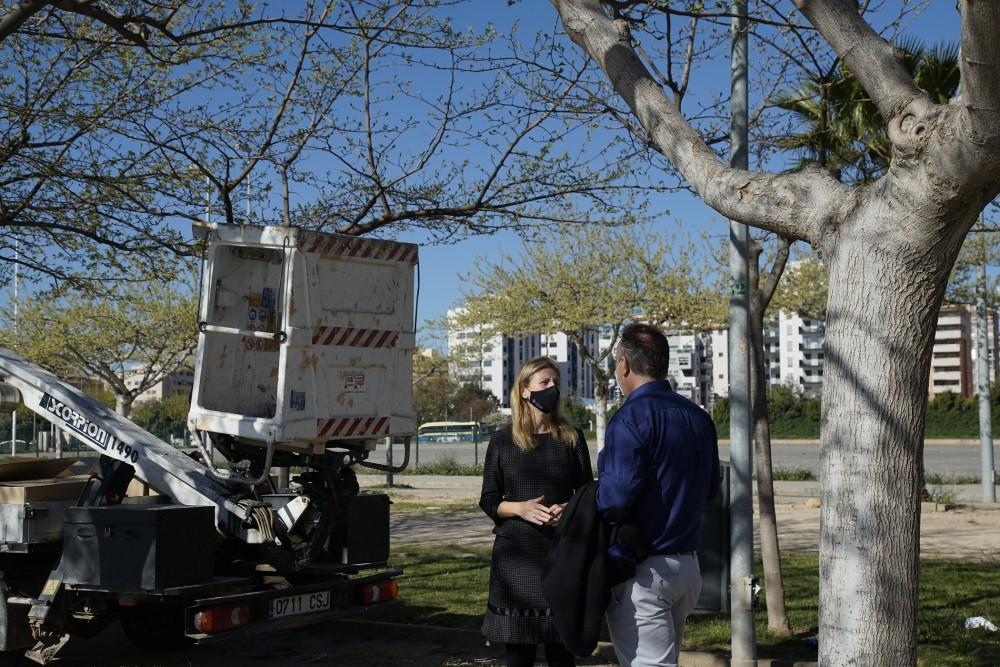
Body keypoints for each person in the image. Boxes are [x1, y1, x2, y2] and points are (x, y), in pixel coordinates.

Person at [599, 323, 720, 667]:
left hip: (645, 571)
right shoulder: (698, 417)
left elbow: (614, 500)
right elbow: (712, 489)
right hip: (688, 569)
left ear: (623, 364)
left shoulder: (630, 418)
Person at [480, 356, 593, 667]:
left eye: (555, 383)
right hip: (516, 559)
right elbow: (489, 499)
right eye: (545, 382)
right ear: (525, 390)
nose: (552, 388)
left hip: (561, 554)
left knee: (561, 652)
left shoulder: (571, 437)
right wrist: (520, 508)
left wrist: (568, 508)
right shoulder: (502, 440)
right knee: (518, 656)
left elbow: (587, 493)